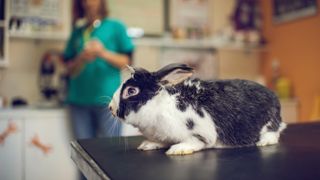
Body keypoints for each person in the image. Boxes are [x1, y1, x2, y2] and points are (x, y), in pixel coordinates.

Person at [63, 0, 134, 140]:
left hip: (108, 102)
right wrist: (81, 58)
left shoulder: (116, 27)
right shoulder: (77, 32)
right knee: (83, 154)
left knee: (111, 152)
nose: (88, 3)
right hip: (78, 103)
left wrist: (102, 53)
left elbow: (127, 63)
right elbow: (69, 70)